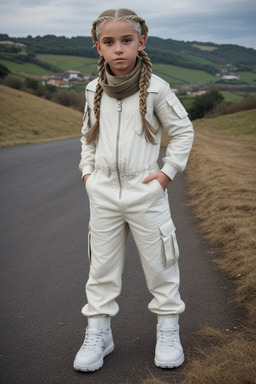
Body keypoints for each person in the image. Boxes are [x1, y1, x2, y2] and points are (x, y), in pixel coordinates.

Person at [73, 8, 194, 372]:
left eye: (127, 40)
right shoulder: (93, 89)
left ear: (141, 42)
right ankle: (99, 334)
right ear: (98, 47)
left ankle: (168, 330)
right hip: (104, 194)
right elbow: (87, 137)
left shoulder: (158, 88)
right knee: (101, 270)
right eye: (109, 42)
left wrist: (166, 174)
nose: (119, 49)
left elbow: (184, 131)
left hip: (146, 192)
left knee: (161, 266)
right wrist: (88, 176)